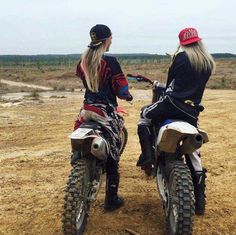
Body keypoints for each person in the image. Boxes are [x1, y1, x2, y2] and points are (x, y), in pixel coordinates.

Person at [136, 27, 215, 215]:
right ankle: (200, 203)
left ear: (182, 43)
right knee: (194, 152)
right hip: (192, 112)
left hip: (172, 105)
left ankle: (147, 157)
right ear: (199, 41)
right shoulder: (208, 63)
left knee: (144, 116)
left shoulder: (179, 58)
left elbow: (171, 84)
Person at [74, 24, 133, 212]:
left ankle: (77, 159)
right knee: (113, 155)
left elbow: (85, 80)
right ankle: (111, 199)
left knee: (77, 136)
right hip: (105, 111)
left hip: (87, 110)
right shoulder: (110, 61)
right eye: (111, 37)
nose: (112, 40)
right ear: (107, 40)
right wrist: (127, 95)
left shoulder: (82, 61)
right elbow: (122, 90)